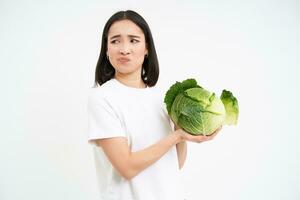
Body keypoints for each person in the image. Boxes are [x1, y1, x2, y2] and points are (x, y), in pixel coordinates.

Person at [87, 10, 221, 200]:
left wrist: (181, 130)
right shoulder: (102, 98)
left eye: (134, 40)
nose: (124, 49)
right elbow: (126, 167)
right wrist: (177, 136)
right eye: (115, 41)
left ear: (147, 47)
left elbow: (175, 164)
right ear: (106, 49)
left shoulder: (160, 98)